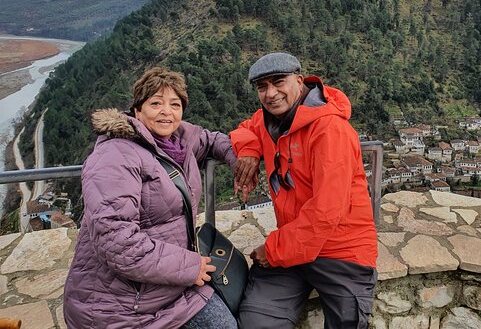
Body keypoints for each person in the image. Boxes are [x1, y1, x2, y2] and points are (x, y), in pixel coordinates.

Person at [63, 67, 238, 329]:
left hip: (172, 286)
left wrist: (241, 162)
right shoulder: (115, 156)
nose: (166, 111)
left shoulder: (179, 141)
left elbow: (213, 140)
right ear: (137, 110)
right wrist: (190, 266)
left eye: (175, 104)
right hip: (120, 303)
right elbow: (117, 242)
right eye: (156, 103)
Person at [231, 52, 378, 329]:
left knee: (347, 323)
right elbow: (244, 129)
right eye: (262, 87)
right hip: (292, 248)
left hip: (341, 250)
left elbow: (326, 212)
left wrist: (273, 250)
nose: (271, 94)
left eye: (278, 82)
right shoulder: (268, 121)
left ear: (299, 81)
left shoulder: (330, 130)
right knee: (255, 322)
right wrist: (249, 151)